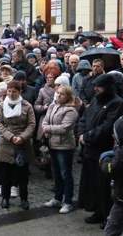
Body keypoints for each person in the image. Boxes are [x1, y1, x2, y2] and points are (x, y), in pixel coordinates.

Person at [78, 73, 123, 229]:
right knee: (93, 185)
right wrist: (81, 134)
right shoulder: (95, 99)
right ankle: (97, 211)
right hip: (89, 150)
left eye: (99, 86)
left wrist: (88, 137)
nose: (96, 89)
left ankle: (108, 215)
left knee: (104, 186)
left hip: (103, 151)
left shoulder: (117, 103)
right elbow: (84, 118)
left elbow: (107, 127)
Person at [0, 80, 36, 210]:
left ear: (20, 92)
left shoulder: (27, 106)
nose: (11, 94)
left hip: (22, 144)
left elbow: (31, 124)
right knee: (5, 174)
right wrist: (10, 137)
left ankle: (24, 198)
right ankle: (5, 198)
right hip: (6, 143)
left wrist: (22, 137)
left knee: (22, 175)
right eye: (9, 91)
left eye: (14, 92)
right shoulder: (2, 105)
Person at [41, 84, 79, 214]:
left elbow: (65, 127)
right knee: (56, 173)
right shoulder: (53, 105)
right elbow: (45, 121)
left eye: (61, 94)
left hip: (64, 145)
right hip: (52, 143)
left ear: (68, 96)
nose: (58, 95)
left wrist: (48, 129)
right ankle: (57, 197)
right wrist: (45, 127)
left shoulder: (71, 110)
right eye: (57, 93)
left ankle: (68, 201)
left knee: (65, 173)